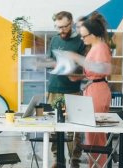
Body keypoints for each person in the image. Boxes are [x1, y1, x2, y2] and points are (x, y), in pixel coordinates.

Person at [70, 12, 112, 167]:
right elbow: (94, 72)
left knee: (95, 135)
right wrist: (80, 77)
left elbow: (102, 68)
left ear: (93, 34)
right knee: (91, 134)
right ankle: (93, 165)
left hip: (97, 92)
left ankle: (97, 165)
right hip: (93, 89)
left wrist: (76, 58)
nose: (82, 39)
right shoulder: (96, 47)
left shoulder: (100, 47)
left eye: (84, 36)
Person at [48, 11, 85, 168]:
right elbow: (50, 59)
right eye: (58, 27)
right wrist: (51, 64)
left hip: (73, 90)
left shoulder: (80, 41)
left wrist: (73, 70)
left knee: (74, 128)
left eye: (64, 27)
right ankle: (57, 158)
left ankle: (74, 160)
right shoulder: (55, 39)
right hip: (54, 89)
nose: (61, 30)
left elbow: (85, 68)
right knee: (54, 126)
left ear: (71, 24)